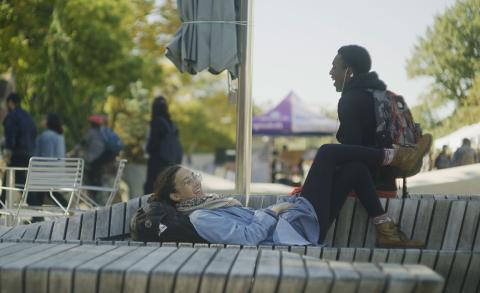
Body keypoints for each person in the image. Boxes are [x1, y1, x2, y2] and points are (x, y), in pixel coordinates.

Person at [132, 139, 431, 248]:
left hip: (293, 225)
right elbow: (247, 238)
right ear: (175, 196)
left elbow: (251, 223)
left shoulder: (209, 203)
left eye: (194, 176)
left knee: (353, 169)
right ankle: (394, 157)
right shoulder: (200, 216)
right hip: (289, 233)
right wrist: (274, 210)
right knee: (327, 153)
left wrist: (283, 206)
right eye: (187, 182)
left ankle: (385, 229)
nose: (196, 182)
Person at [330, 45, 407, 196]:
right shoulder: (383, 96)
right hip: (390, 187)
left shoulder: (349, 100)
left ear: (349, 72)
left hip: (364, 192)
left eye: (334, 67)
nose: (331, 72)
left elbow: (351, 151)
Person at [30, 113, 67, 221]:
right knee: (46, 192)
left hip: (47, 174)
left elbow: (46, 158)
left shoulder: (47, 136)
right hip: (57, 173)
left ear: (48, 122)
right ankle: (37, 218)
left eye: (44, 118)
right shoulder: (60, 136)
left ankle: (37, 218)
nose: (42, 120)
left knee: (31, 188)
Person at [144, 96, 183, 194]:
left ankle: (151, 208)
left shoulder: (156, 122)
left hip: (157, 160)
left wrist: (147, 150)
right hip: (170, 160)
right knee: (166, 186)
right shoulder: (171, 123)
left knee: (152, 186)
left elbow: (153, 143)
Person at [2, 93, 36, 204]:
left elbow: (10, 136)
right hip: (28, 153)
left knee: (16, 180)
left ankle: (34, 204)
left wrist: (8, 151)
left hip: (17, 154)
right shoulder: (28, 116)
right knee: (15, 180)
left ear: (10, 102)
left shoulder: (12, 116)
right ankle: (1, 205)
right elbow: (34, 133)